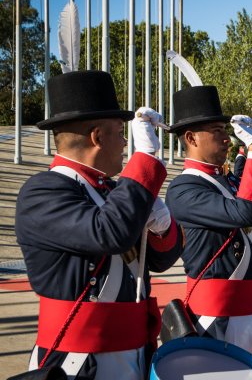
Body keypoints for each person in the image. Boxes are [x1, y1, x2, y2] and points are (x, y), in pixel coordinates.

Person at [16, 70, 183, 379]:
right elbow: (110, 234)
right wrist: (145, 161)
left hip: (133, 352)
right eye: (120, 133)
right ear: (97, 137)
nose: (124, 143)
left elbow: (161, 260)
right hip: (77, 361)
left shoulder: (113, 190)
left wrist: (161, 226)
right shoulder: (42, 191)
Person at [166, 85, 252, 355]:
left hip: (251, 308)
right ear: (191, 138)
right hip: (216, 316)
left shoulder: (225, 180)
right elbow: (245, 213)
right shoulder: (182, 189)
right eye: (217, 131)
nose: (227, 139)